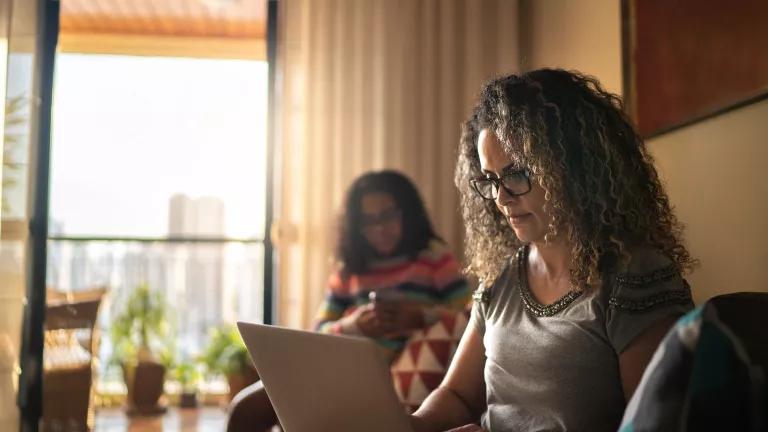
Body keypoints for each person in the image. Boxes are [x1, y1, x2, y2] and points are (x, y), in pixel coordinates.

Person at [411, 69, 696, 432]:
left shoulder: (635, 276)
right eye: (490, 180)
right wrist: (411, 424)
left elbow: (652, 424)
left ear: (570, 168)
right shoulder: (502, 278)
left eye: (516, 174)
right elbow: (457, 395)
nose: (501, 197)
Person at [226, 170, 469, 432]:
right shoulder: (349, 269)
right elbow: (318, 332)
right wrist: (356, 325)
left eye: (387, 215)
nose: (379, 228)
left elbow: (469, 315)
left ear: (407, 213)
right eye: (368, 221)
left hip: (383, 378)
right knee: (244, 408)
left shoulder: (433, 257)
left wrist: (419, 317)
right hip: (338, 372)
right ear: (356, 226)